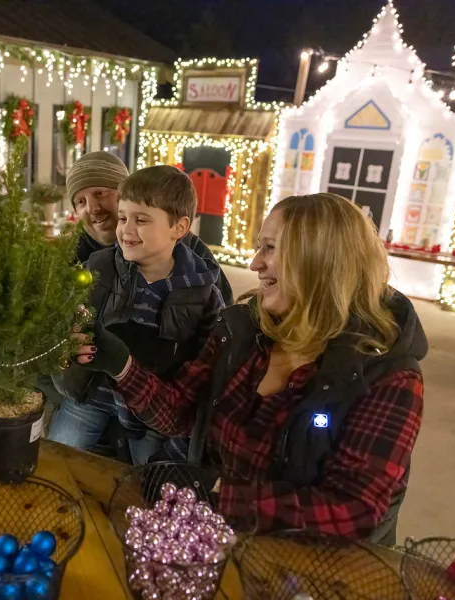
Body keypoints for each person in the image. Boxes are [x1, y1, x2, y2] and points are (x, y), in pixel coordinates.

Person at [73, 193, 427, 544]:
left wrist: (216, 492)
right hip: (214, 536)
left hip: (309, 564)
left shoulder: (387, 375)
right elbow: (179, 412)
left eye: (269, 248)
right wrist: (121, 364)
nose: (255, 263)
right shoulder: (241, 331)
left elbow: (353, 510)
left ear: (320, 261)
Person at [49, 166, 225, 465]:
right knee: (56, 461)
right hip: (92, 396)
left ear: (178, 228)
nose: (126, 230)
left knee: (149, 485)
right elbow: (69, 313)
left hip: (151, 416)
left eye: (141, 220)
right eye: (123, 217)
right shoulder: (98, 266)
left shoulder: (203, 293)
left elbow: (202, 370)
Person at [66, 151, 234, 304]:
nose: (92, 208)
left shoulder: (190, 250)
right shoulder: (72, 257)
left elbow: (223, 313)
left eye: (100, 193)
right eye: (81, 202)